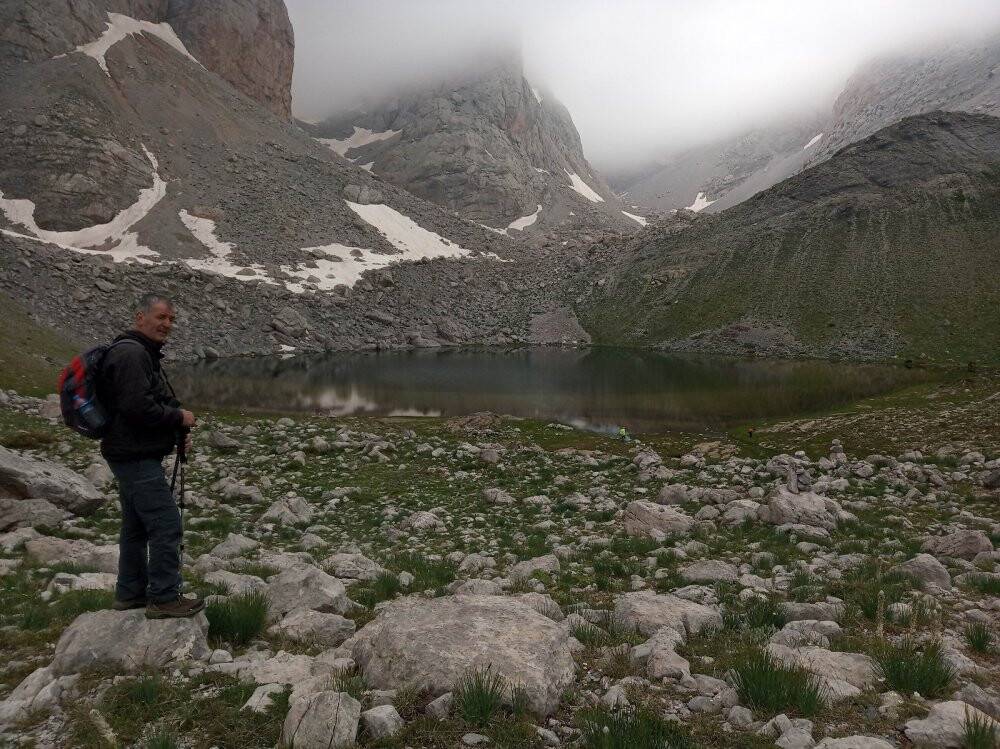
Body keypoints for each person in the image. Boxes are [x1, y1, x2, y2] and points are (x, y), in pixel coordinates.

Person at [99, 293, 203, 618]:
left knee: (135, 526)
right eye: (161, 317)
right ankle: (164, 597)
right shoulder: (132, 355)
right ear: (140, 317)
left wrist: (175, 428)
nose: (167, 324)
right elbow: (137, 407)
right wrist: (177, 420)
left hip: (129, 452)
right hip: (134, 455)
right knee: (166, 522)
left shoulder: (141, 352)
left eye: (171, 319)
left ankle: (129, 594)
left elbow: (151, 401)